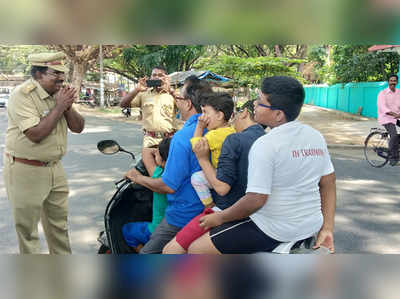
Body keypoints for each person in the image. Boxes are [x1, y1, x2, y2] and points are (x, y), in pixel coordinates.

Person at [187, 76, 337, 254]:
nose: (254, 105)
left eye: (260, 101)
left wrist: (219, 217)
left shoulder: (266, 144)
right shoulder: (315, 136)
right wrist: (327, 228)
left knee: (196, 249)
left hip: (274, 229)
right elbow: (329, 183)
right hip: (311, 224)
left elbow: (255, 200)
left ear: (278, 114)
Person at [3, 52, 85, 254]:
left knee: (59, 227)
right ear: (38, 74)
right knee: (28, 231)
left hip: (55, 169)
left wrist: (67, 107)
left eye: (62, 73)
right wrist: (59, 106)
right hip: (25, 169)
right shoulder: (22, 95)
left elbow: (78, 127)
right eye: (55, 73)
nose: (61, 78)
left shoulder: (59, 95)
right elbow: (36, 134)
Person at [163, 99, 266, 254]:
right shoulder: (265, 138)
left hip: (224, 209)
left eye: (205, 113)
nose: (202, 117)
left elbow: (222, 188)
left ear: (244, 113)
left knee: (170, 250)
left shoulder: (233, 139)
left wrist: (202, 158)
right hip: (252, 213)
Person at [125, 75, 212, 254]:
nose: (176, 101)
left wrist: (138, 178)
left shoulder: (182, 137)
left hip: (183, 215)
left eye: (179, 97)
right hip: (210, 211)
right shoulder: (216, 130)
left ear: (188, 104)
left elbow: (168, 186)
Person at [122, 137, 171, 253]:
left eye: (158, 155)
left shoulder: (158, 174)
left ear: (163, 161)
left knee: (127, 230)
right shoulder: (187, 174)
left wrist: (157, 151)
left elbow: (146, 151)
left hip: (158, 230)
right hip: (179, 228)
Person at [190, 92, 235, 208]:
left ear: (219, 115)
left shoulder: (214, 135)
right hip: (231, 174)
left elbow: (196, 146)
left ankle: (210, 206)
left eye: (205, 112)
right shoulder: (231, 130)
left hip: (220, 175)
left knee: (196, 178)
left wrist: (199, 127)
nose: (202, 117)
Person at [120, 66, 177, 148]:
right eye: (154, 75)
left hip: (170, 140)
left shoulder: (173, 94)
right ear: (150, 77)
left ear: (166, 78)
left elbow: (186, 107)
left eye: (160, 75)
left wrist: (170, 90)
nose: (157, 77)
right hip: (150, 140)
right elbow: (123, 104)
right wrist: (137, 89)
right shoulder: (143, 94)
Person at [377, 74, 400, 166]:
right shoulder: (382, 93)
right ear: (388, 82)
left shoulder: (399, 93)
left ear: (397, 82)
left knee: (395, 138)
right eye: (391, 80)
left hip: (397, 117)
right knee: (393, 135)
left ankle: (395, 144)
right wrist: (394, 114)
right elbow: (383, 108)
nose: (393, 82)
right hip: (386, 118)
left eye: (394, 81)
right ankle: (393, 158)